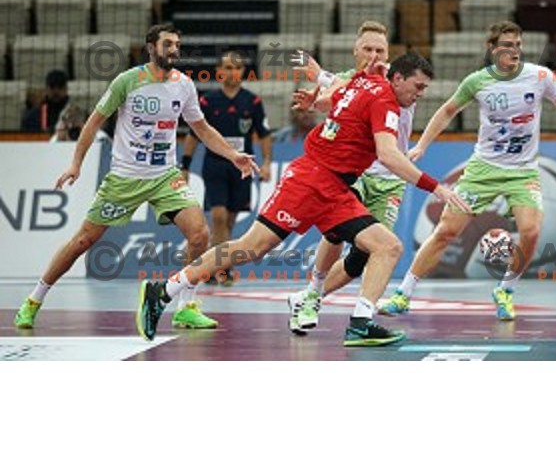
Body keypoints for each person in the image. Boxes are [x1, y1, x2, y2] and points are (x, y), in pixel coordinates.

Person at [136, 55, 472, 346]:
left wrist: (327, 94)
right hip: (311, 180)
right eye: (418, 86)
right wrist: (437, 188)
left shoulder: (365, 81)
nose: (420, 95)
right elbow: (387, 154)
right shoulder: (385, 99)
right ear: (397, 78)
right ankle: (163, 291)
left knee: (387, 246)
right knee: (249, 248)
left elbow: (331, 101)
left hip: (336, 189)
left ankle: (359, 323)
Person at [14, 23, 257, 331]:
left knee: (199, 235)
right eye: (168, 44)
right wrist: (76, 164)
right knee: (83, 240)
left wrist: (233, 155)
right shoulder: (127, 81)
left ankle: (186, 306)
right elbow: (93, 122)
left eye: (177, 45)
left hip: (164, 177)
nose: (174, 50)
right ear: (151, 47)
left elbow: (202, 129)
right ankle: (33, 300)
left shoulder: (183, 85)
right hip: (124, 178)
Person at [379, 20, 556, 320]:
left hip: (523, 172)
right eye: (507, 45)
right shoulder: (477, 81)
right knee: (446, 231)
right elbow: (447, 111)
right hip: (483, 170)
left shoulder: (540, 76)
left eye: (518, 45)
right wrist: (422, 146)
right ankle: (403, 294)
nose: (514, 50)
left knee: (530, 232)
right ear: (492, 49)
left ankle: (505, 289)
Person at [284, 21, 422, 335]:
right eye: (368, 49)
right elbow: (323, 92)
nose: (374, 56)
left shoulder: (398, 82)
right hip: (354, 171)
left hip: (390, 179)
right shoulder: (347, 81)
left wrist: (422, 146)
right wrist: (313, 98)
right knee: (336, 228)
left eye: (380, 50)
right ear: (355, 51)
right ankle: (348, 311)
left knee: (367, 254)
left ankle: (309, 298)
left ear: (389, 54)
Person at [179, 51, 272, 286]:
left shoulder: (253, 101)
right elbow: (193, 135)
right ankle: (222, 269)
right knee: (218, 216)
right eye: (229, 68)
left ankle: (215, 262)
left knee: (230, 219)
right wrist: (185, 166)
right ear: (220, 72)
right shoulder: (208, 101)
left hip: (241, 166)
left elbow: (264, 133)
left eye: (238, 68)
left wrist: (267, 162)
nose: (234, 72)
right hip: (215, 164)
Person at [22, 69, 70, 133]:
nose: (56, 91)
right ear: (46, 88)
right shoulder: (32, 117)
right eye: (52, 87)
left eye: (60, 87)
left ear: (66, 89)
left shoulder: (74, 115)